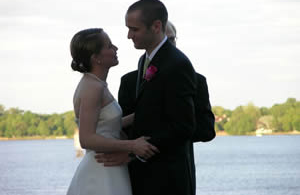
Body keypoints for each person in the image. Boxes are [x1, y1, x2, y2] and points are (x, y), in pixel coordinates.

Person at [103, 20, 215, 195]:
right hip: (136, 175)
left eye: (171, 40)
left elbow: (207, 131)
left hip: (175, 177)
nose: (168, 46)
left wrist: (169, 131)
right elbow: (126, 130)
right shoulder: (129, 82)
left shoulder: (196, 79)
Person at [66, 28, 158, 195]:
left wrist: (145, 113)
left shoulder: (97, 84)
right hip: (101, 171)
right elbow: (86, 139)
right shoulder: (92, 88)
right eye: (109, 46)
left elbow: (106, 125)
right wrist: (132, 145)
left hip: (109, 168)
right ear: (96, 58)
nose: (115, 48)